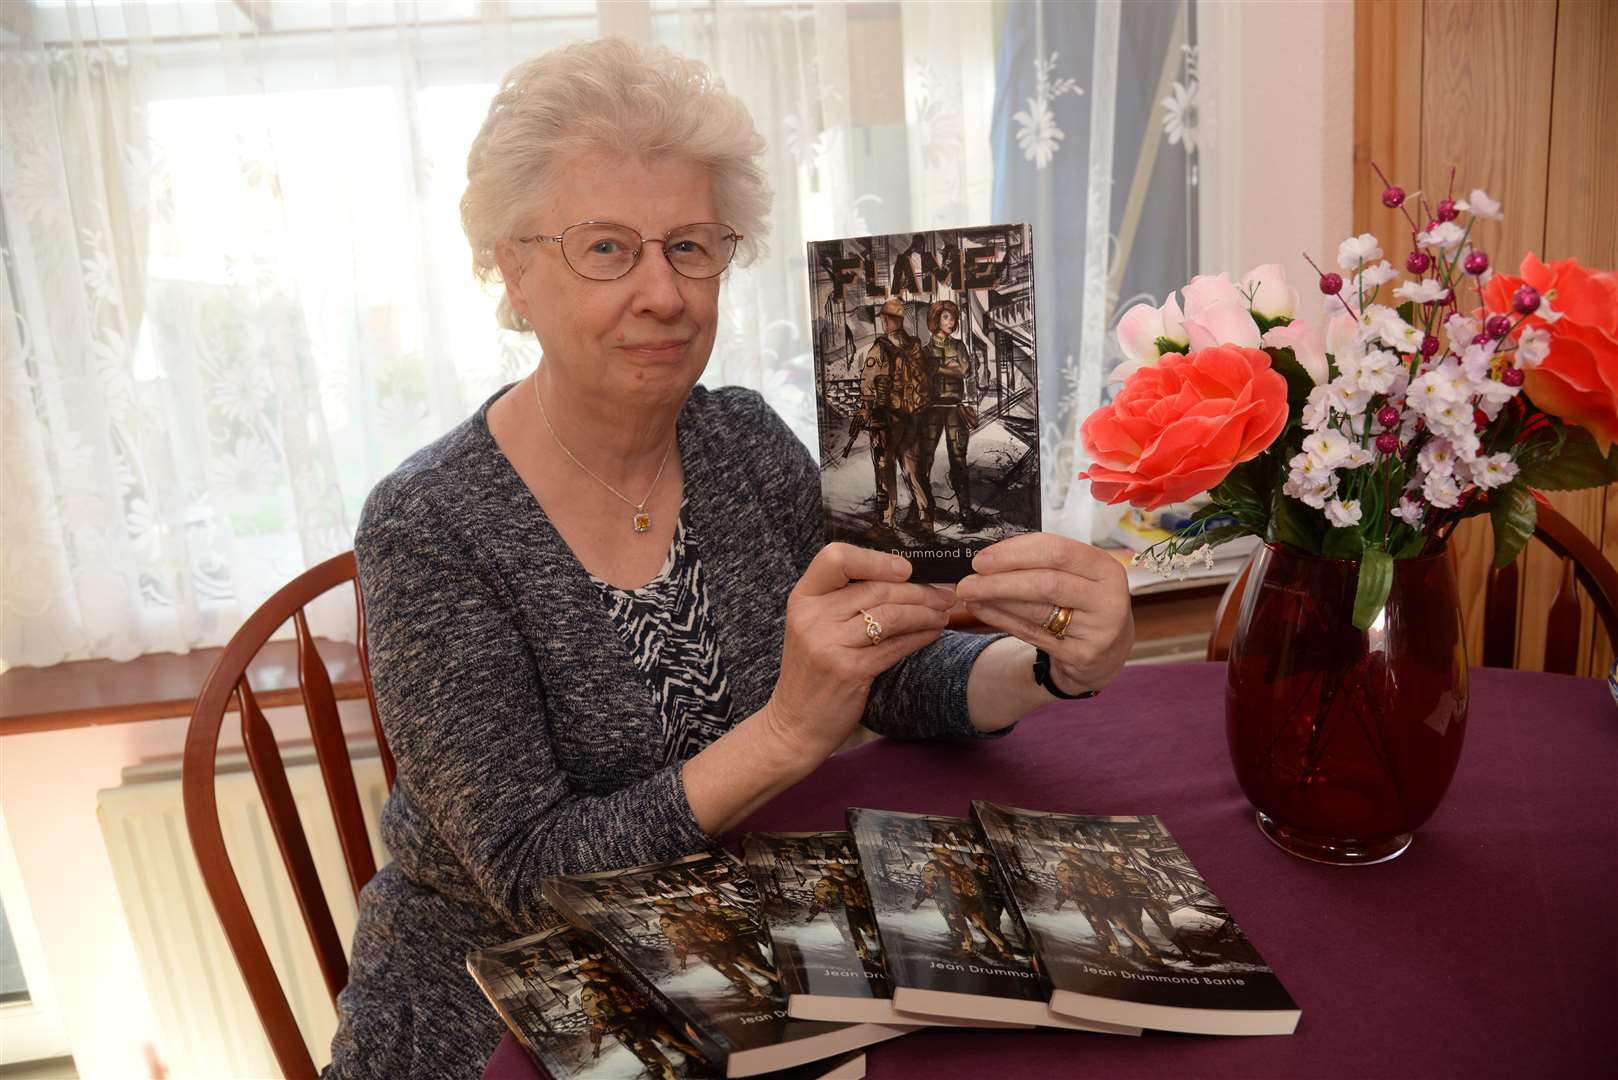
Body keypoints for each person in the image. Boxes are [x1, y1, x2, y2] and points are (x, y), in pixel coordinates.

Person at [327, 37, 1132, 1078]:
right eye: (608, 248)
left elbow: (879, 678)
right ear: (513, 268)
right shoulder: (428, 528)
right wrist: (791, 730)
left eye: (691, 247)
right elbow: (528, 877)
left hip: (729, 967)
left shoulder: (743, 444)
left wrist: (1053, 663)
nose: (664, 293)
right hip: (498, 1020)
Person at [858, 296, 934, 532]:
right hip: (911, 417)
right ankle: (926, 520)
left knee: (884, 468)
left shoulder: (880, 347)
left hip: (885, 419)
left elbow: (868, 386)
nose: (883, 322)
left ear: (890, 320)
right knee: (914, 470)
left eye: (884, 318)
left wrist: (865, 410)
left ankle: (886, 521)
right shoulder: (915, 347)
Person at [919, 299, 979, 526]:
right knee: (924, 459)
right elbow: (923, 376)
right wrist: (948, 367)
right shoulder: (925, 350)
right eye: (946, 317)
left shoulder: (959, 345)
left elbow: (964, 370)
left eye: (953, 317)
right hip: (931, 410)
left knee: (958, 461)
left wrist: (937, 368)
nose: (951, 321)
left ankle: (965, 511)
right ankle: (923, 508)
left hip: (955, 408)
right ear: (935, 320)